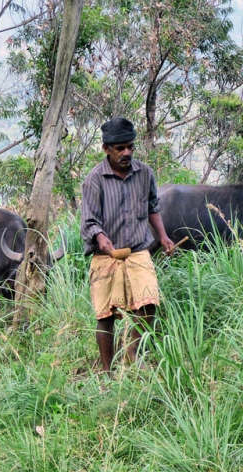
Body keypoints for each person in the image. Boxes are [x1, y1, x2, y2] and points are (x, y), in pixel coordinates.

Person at [80, 118, 175, 375]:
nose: (127, 153)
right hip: (105, 255)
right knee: (105, 315)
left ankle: (132, 353)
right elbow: (89, 221)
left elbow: (152, 208)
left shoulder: (145, 173)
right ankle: (106, 371)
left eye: (130, 147)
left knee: (149, 302)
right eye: (120, 148)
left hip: (137, 250)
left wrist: (163, 237)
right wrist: (101, 238)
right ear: (106, 149)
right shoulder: (94, 180)